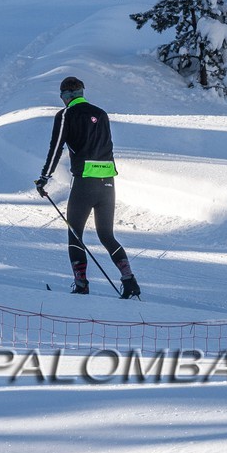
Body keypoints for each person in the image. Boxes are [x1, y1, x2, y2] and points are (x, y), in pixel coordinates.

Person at [34, 76, 141, 298]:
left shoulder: (65, 115)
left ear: (65, 96)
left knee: (75, 234)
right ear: (82, 92)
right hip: (108, 181)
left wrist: (45, 177)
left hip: (84, 182)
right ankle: (129, 280)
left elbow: (56, 148)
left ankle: (81, 284)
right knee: (106, 235)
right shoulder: (101, 114)